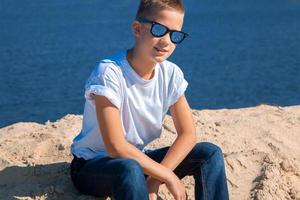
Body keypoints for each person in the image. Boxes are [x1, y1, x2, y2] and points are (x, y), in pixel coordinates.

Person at [70, 0, 229, 199]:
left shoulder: (170, 74)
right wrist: (168, 177)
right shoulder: (109, 72)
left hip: (138, 161)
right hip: (93, 165)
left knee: (209, 154)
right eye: (159, 29)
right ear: (137, 28)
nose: (166, 41)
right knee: (129, 168)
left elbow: (188, 134)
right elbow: (116, 147)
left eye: (174, 34)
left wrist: (155, 179)